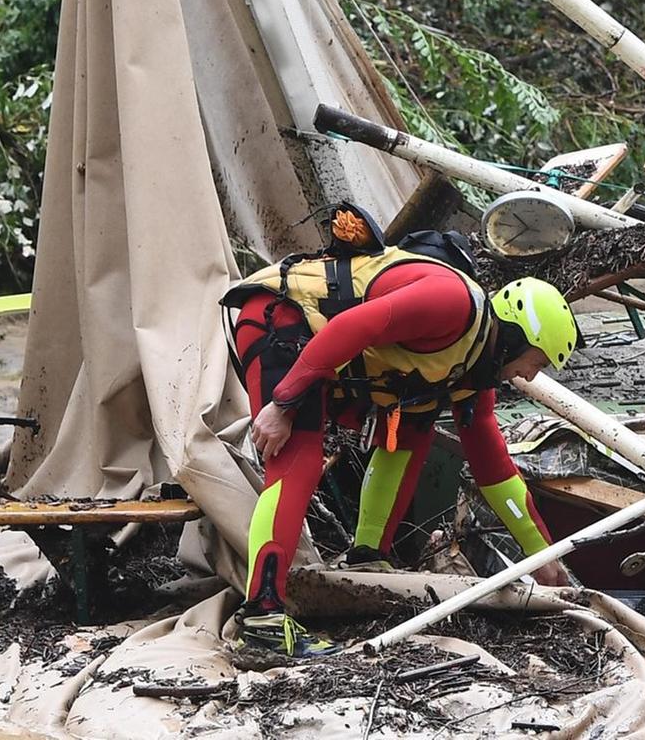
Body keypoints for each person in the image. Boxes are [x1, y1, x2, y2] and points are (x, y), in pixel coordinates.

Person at [221, 205, 579, 655]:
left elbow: (495, 471)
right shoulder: (454, 303)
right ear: (518, 337)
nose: (529, 376)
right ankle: (264, 619)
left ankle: (368, 556)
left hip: (325, 350)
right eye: (537, 362)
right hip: (282, 317)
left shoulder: (473, 375)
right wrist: (283, 402)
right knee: (299, 459)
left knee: (415, 422)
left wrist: (544, 561)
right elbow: (354, 324)